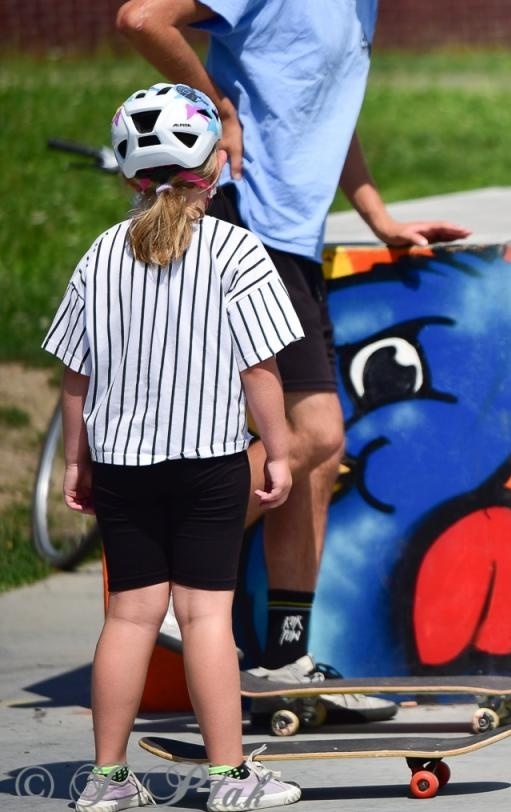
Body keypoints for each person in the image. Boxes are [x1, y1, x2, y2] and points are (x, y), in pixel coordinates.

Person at [113, 0, 468, 714]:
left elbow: (332, 118)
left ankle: (283, 654)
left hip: (296, 241)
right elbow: (143, 16)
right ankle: (154, 584)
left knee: (315, 454)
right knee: (306, 439)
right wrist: (216, 105)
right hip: (239, 228)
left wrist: (381, 217)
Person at [46, 84, 303, 812]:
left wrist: (77, 459)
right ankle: (228, 781)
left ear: (131, 175)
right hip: (211, 465)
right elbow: (261, 370)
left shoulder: (99, 255)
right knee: (204, 620)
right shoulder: (235, 250)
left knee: (128, 618)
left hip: (124, 466)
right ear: (215, 168)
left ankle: (105, 781)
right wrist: (278, 451)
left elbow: (75, 373)